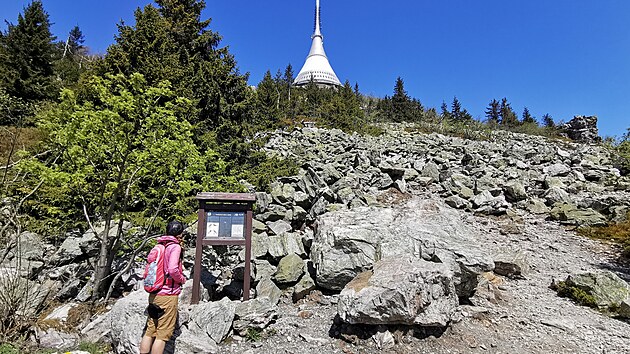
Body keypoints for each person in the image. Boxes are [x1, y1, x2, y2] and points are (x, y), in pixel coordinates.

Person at [139, 221, 187, 354]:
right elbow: (172, 269)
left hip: (154, 294)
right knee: (162, 335)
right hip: (167, 295)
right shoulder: (175, 247)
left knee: (150, 330)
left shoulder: (160, 245)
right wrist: (181, 279)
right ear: (180, 234)